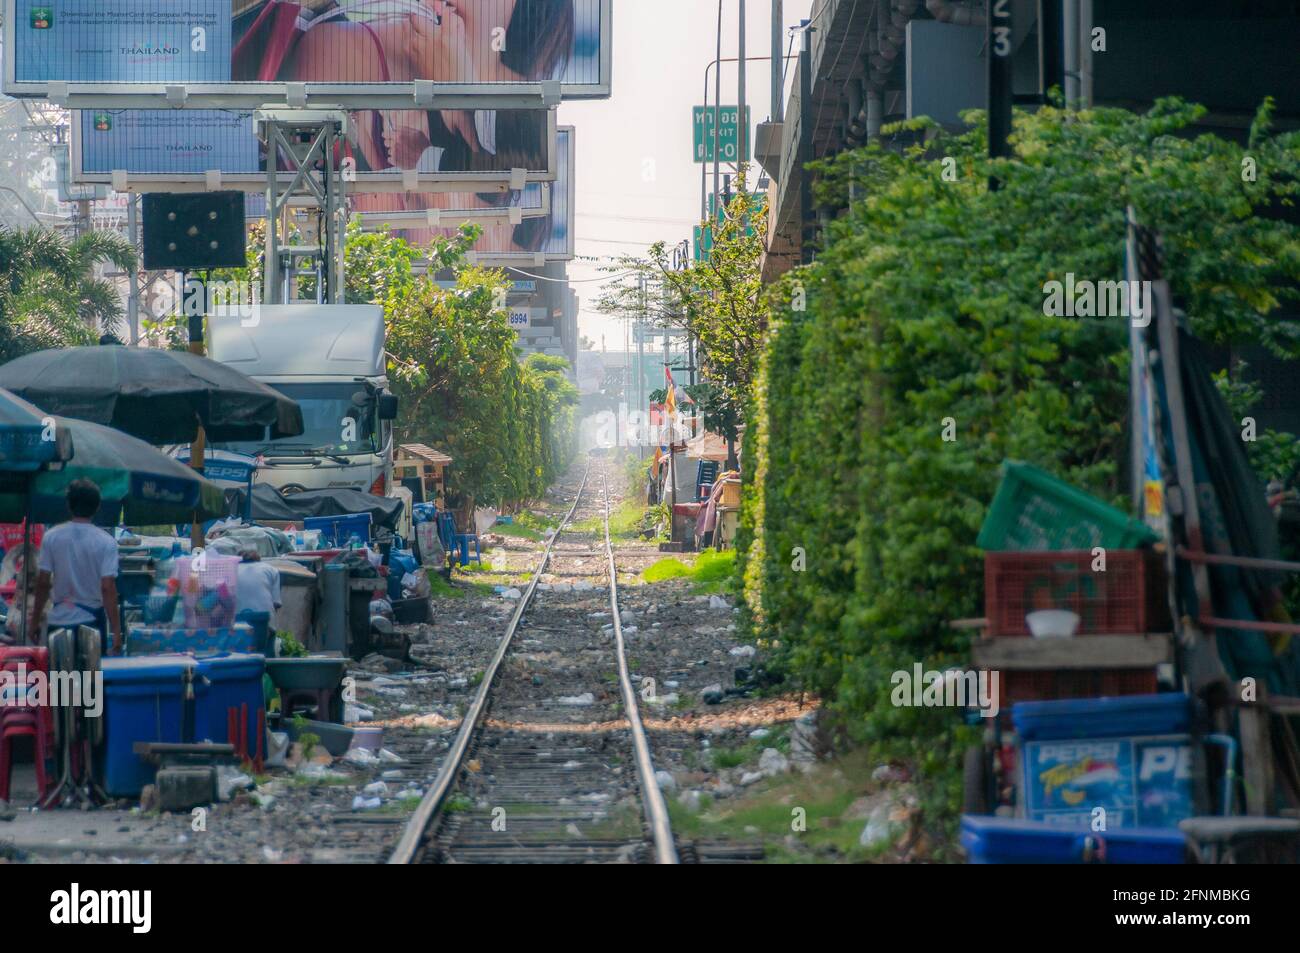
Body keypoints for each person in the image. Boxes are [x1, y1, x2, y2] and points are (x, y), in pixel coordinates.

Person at [32, 479, 121, 654]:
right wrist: (116, 632)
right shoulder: (106, 542)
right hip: (91, 624)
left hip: (57, 622)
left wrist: (34, 621)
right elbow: (107, 587)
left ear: (69, 505)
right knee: (90, 681)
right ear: (97, 507)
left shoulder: (51, 537)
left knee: (59, 680)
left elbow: (43, 582)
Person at [235, 548, 281, 655]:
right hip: (264, 621)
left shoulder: (230, 570)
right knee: (266, 653)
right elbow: (276, 603)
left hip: (236, 621)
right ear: (259, 559)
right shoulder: (271, 569)